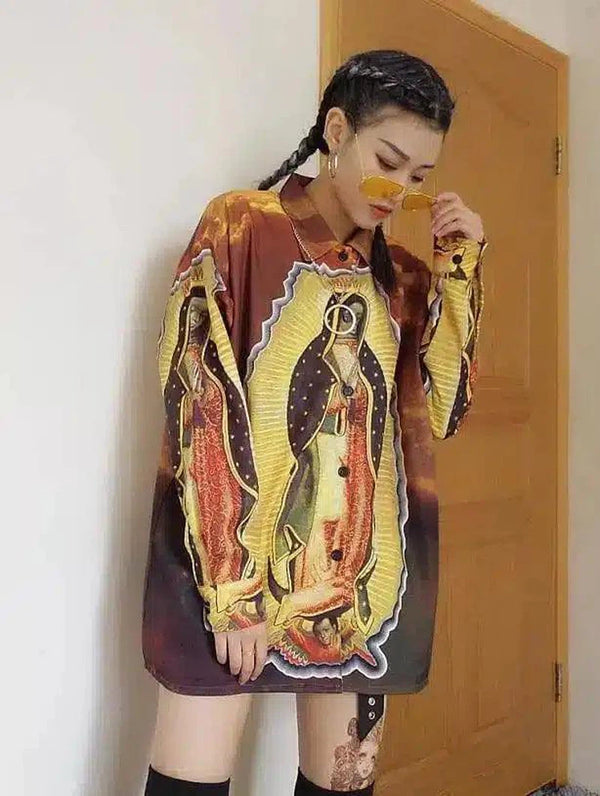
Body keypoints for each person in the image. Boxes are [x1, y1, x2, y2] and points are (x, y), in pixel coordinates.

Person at [141, 48, 488, 796]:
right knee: (189, 782)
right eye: (387, 161)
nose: (399, 191)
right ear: (337, 130)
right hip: (227, 563)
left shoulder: (405, 279)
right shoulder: (242, 228)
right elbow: (199, 396)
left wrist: (460, 266)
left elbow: (442, 411)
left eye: (420, 177)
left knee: (342, 782)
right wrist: (233, 588)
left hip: (352, 570)